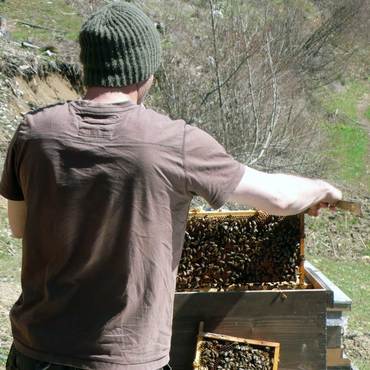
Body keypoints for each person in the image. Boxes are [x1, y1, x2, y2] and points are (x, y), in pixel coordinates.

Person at [0, 2, 342, 370]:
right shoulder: (174, 141)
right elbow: (278, 197)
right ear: (144, 69)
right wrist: (320, 188)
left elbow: (19, 227)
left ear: (89, 64)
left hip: (35, 352)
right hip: (125, 360)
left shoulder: (34, 131)